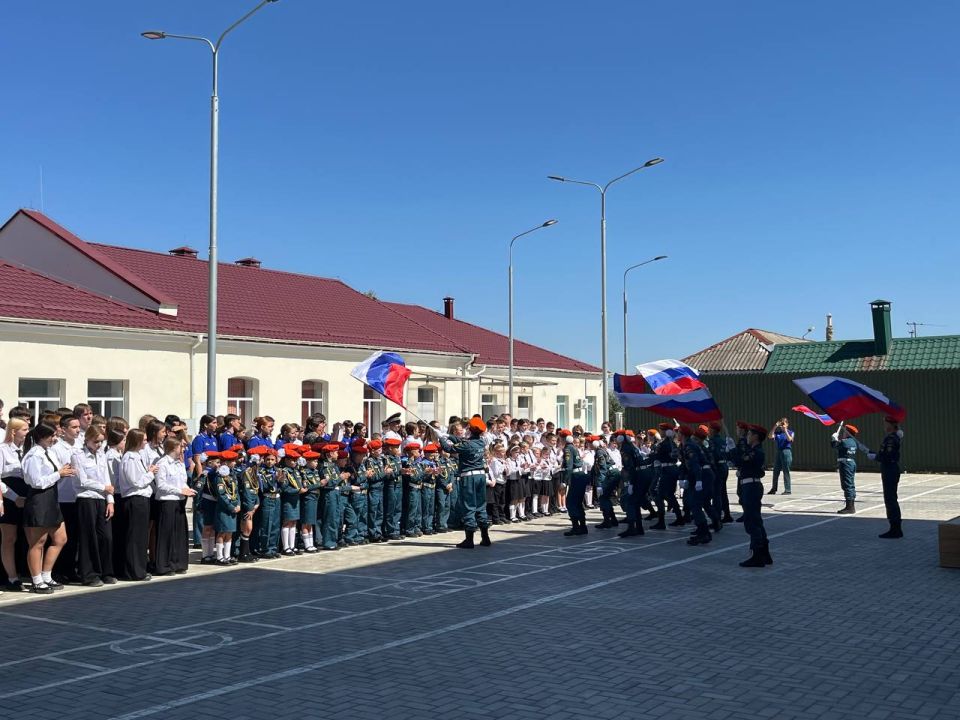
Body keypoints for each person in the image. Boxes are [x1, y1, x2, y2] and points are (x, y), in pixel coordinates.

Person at [22, 423, 74, 593]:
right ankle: (36, 580)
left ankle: (46, 575)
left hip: (51, 498)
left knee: (60, 538)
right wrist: (59, 474)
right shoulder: (34, 455)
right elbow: (36, 482)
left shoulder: (49, 452)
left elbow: (54, 473)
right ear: (42, 436)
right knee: (38, 542)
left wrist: (63, 471)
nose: (54, 439)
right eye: (52, 436)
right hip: (39, 499)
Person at [70, 425, 116, 586]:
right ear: (87, 439)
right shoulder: (78, 456)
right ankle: (89, 574)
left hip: (101, 499)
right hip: (86, 498)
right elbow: (82, 480)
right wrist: (104, 488)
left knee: (106, 537)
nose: (99, 445)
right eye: (96, 441)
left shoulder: (101, 455)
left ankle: (106, 571)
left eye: (101, 441)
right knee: (88, 537)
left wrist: (110, 500)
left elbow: (106, 478)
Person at [438, 415, 491, 549]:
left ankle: (469, 539)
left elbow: (449, 449)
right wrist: (449, 436)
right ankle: (485, 537)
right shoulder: (481, 442)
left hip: (469, 477)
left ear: (470, 430)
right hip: (481, 476)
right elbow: (462, 441)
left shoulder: (467, 444)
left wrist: (442, 438)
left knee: (469, 506)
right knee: (481, 506)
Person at [154, 436, 195, 575]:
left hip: (179, 501)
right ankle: (164, 565)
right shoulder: (163, 463)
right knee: (167, 534)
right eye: (180, 447)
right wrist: (180, 490)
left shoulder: (179, 463)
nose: (182, 450)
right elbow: (161, 485)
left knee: (179, 533)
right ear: (173, 448)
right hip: (167, 501)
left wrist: (187, 489)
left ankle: (178, 563)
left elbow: (182, 481)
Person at [118, 429, 156, 581]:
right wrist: (151, 473)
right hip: (135, 499)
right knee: (135, 537)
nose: (146, 442)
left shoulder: (137, 456)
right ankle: (133, 571)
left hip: (142, 498)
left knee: (140, 537)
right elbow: (135, 481)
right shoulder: (130, 458)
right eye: (144, 440)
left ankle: (139, 568)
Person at [733, 423, 772, 567]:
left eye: (749, 434)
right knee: (756, 520)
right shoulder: (753, 450)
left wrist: (733, 449)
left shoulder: (756, 452)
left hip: (751, 487)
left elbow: (739, 460)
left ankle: (757, 556)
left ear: (755, 437)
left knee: (751, 522)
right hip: (750, 485)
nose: (747, 436)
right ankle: (765, 554)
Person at [862, 417, 904, 539]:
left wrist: (875, 457)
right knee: (890, 498)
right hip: (889, 468)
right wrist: (872, 453)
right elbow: (883, 454)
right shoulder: (891, 437)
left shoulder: (891, 439)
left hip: (890, 469)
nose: (884, 426)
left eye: (886, 423)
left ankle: (895, 529)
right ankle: (894, 528)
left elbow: (888, 456)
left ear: (891, 425)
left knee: (890, 499)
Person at [0, 418, 29, 591]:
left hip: (25, 495)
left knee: (23, 537)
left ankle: (22, 572)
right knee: (9, 538)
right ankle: (11, 577)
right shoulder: (2, 450)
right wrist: (13, 497)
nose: (27, 432)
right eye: (24, 429)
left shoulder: (26, 450)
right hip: (10, 497)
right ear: (13, 431)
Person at [214, 450, 242, 564]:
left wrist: (238, 504)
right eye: (232, 461)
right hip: (224, 509)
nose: (234, 463)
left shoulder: (232, 475)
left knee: (230, 532)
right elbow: (221, 495)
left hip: (234, 508)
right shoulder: (220, 476)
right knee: (222, 532)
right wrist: (231, 507)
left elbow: (236, 492)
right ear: (225, 463)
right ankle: (219, 557)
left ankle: (227, 555)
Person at [561, 430, 588, 536]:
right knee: (577, 503)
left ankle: (576, 527)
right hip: (580, 475)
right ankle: (583, 527)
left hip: (576, 477)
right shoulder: (573, 447)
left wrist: (564, 481)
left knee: (571, 502)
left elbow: (568, 466)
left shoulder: (568, 448)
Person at [831, 424, 859, 514]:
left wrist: (834, 438)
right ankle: (851, 505)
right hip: (851, 463)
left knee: (847, 485)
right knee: (850, 484)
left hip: (846, 464)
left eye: (845, 431)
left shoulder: (845, 442)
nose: (843, 433)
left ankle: (850, 507)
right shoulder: (853, 442)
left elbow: (835, 445)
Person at [381, 437, 403, 541]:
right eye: (396, 448)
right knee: (391, 508)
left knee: (397, 508)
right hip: (391, 485)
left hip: (398, 484)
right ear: (390, 448)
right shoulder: (386, 459)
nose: (398, 449)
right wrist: (400, 472)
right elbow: (388, 474)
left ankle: (396, 529)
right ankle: (390, 530)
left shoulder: (397, 458)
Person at [770, 418, 794, 495]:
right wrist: (775, 426)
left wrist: (785, 430)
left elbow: (790, 439)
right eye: (781, 424)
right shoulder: (778, 433)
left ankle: (788, 490)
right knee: (775, 471)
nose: (782, 425)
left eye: (783, 424)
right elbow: (770, 436)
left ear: (787, 424)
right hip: (779, 451)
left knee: (786, 470)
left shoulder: (791, 432)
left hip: (786, 451)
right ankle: (774, 489)